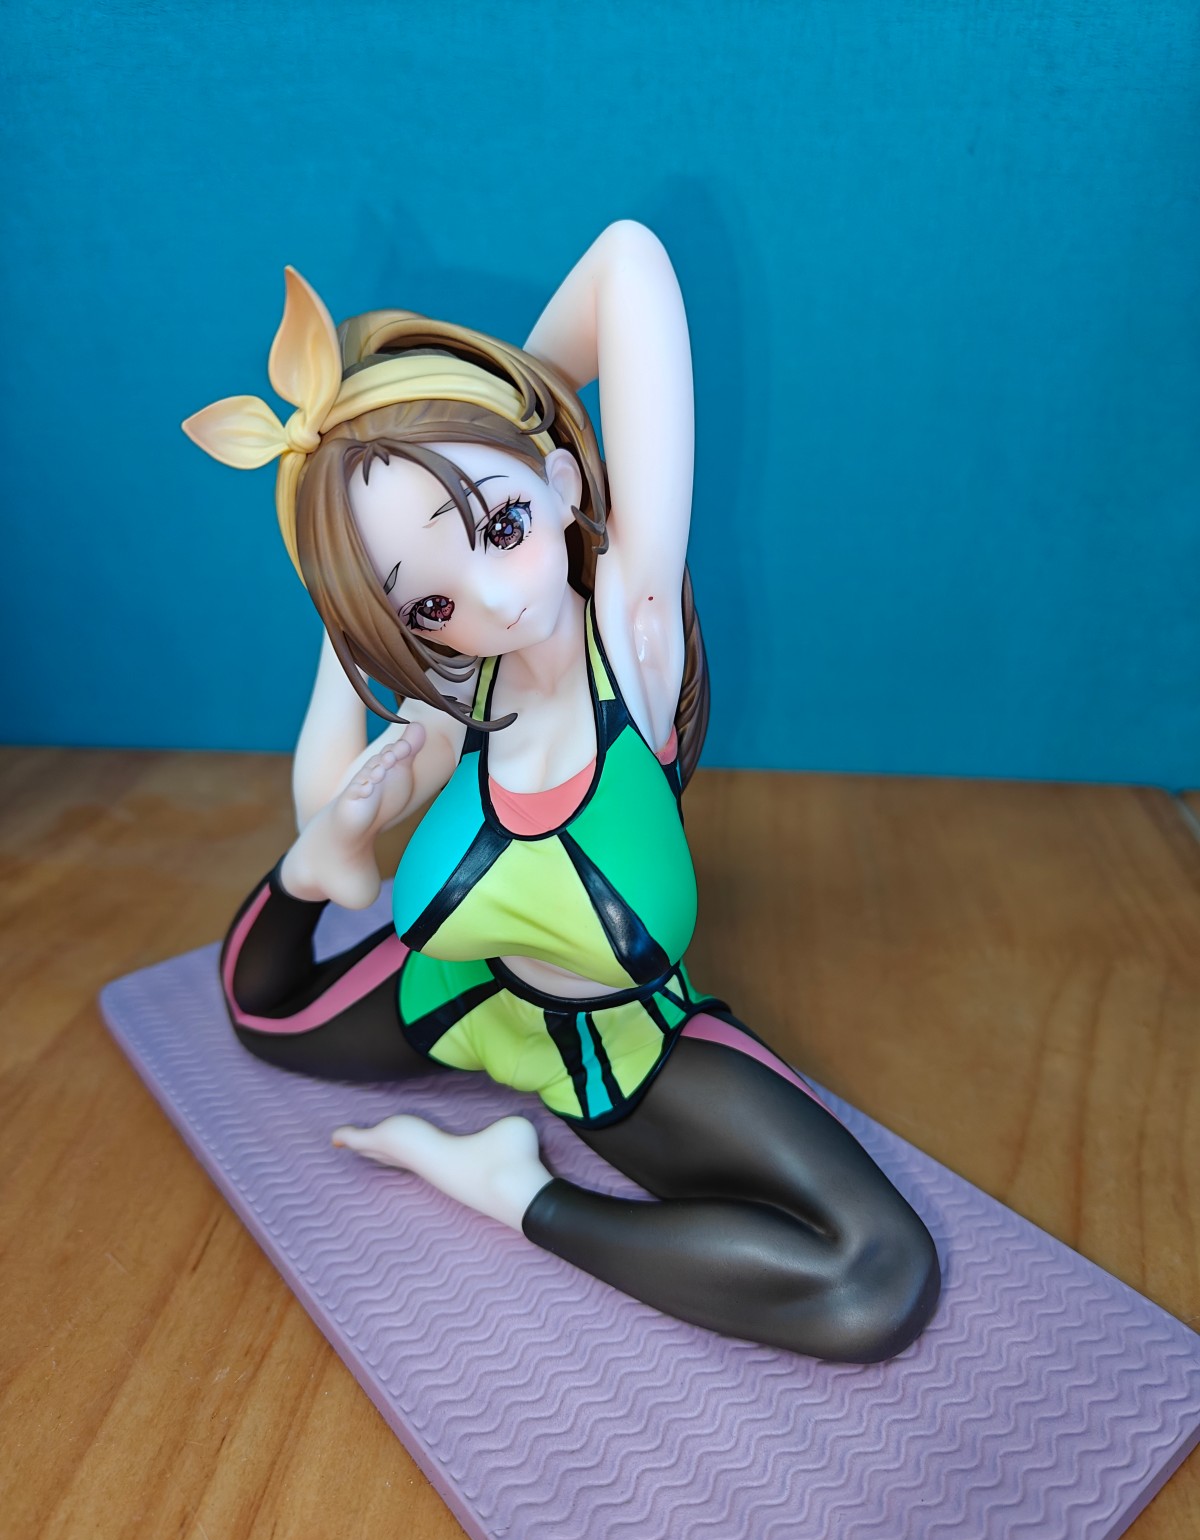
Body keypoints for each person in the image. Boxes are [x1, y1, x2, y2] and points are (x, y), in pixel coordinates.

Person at [184, 221, 939, 1362]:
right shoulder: (457, 693)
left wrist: (510, 403)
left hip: (622, 1053)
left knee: (876, 1277)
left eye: (501, 526)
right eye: (429, 603)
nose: (489, 603)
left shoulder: (634, 637)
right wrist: (348, 609)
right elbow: (302, 898)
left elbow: (628, 261)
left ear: (562, 480)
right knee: (258, 1014)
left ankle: (513, 1193)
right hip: (457, 999)